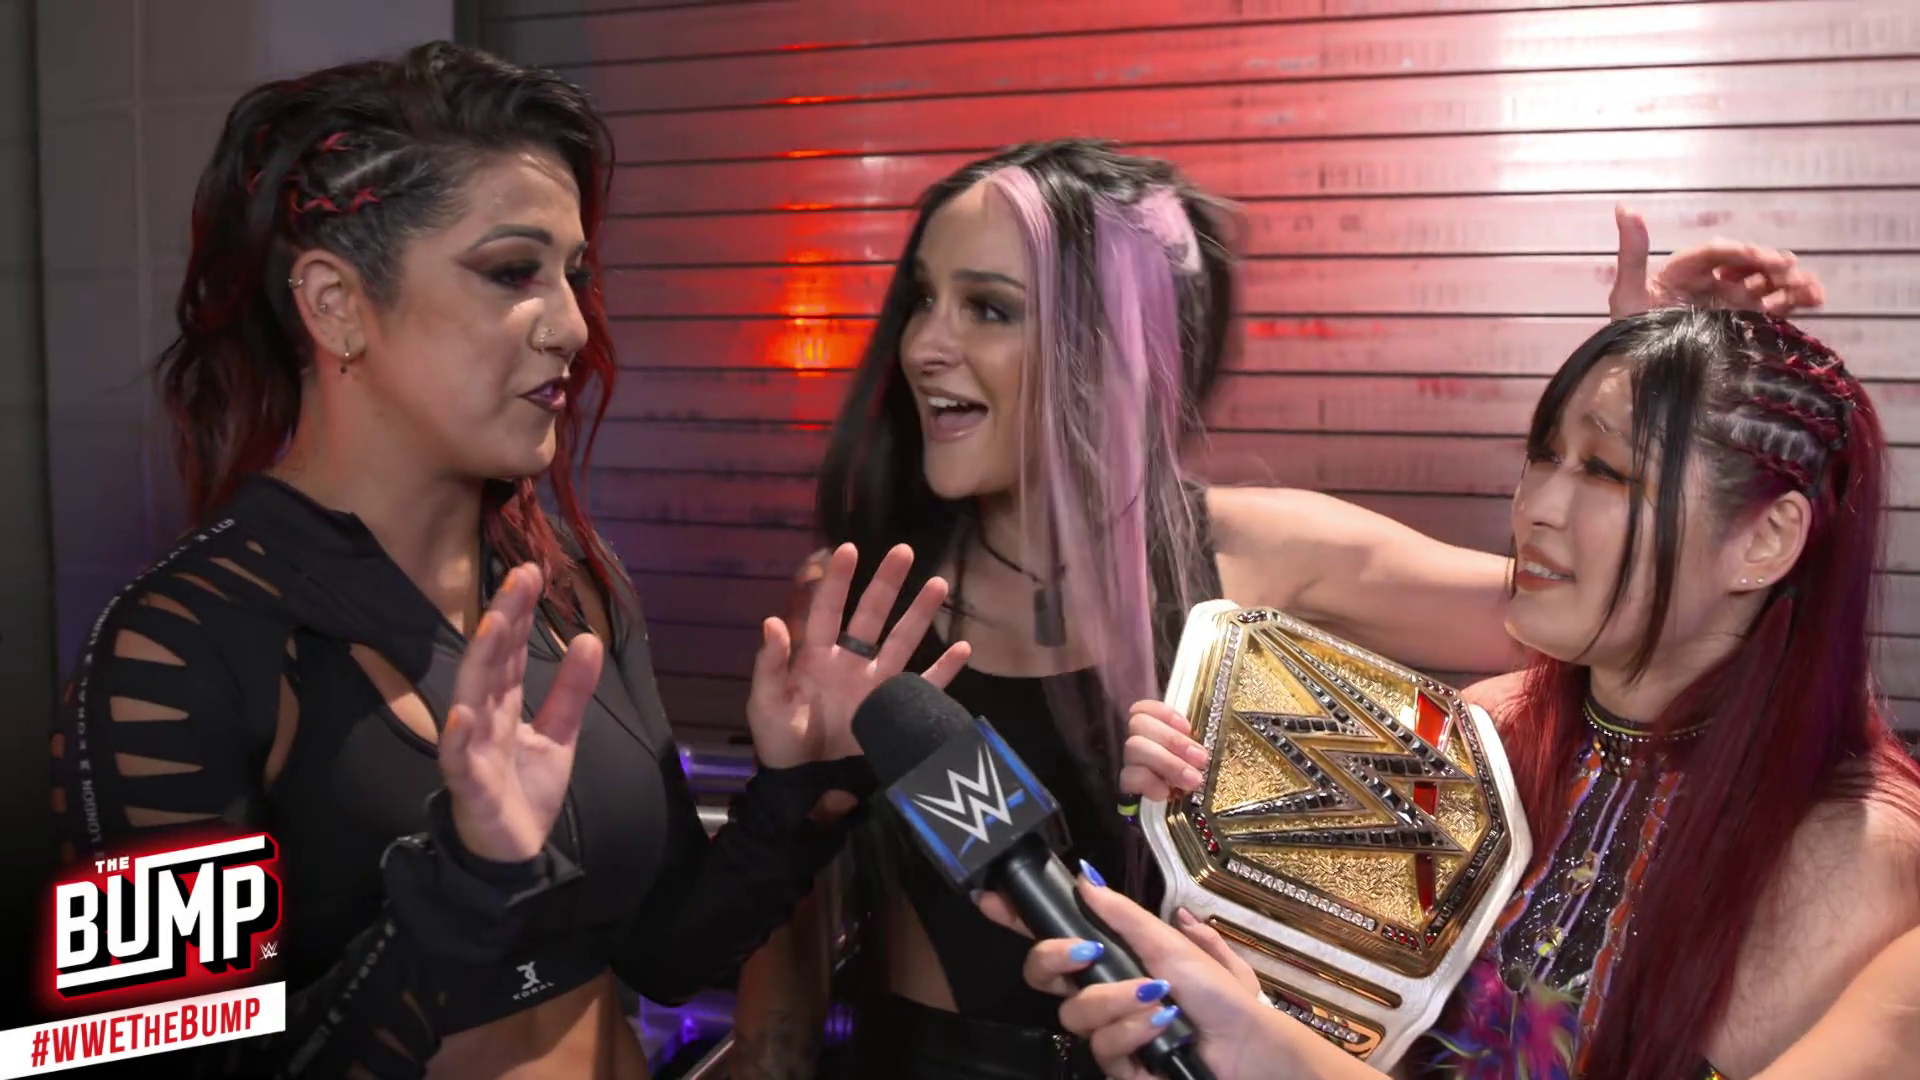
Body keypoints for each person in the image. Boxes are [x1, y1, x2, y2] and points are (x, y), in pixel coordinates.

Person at [729, 134, 1829, 1080]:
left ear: (1108, 341)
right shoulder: (862, 599)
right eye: (921, 299)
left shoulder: (1256, 551)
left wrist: (1672, 404)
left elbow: (1621, 612)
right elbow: (784, 942)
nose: (926, 344)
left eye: (987, 308)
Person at [45, 42, 967, 1080]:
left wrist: (797, 794)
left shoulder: (573, 588)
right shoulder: (179, 646)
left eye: (576, 273)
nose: (572, 324)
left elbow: (666, 957)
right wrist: (465, 886)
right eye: (512, 271)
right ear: (335, 302)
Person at [1001, 308, 1920, 1079]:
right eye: (1543, 456)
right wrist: (1196, 854)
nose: (1537, 507)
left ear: (1766, 540)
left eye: (1605, 471)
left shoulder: (1849, 850)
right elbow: (1365, 1029)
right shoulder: (1491, 728)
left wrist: (1270, 1052)